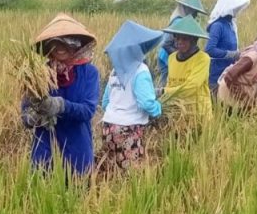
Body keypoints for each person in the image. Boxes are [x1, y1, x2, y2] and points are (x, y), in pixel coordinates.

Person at [22, 14, 99, 177]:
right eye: (55, 42)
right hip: (45, 151)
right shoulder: (38, 73)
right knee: (43, 198)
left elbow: (88, 111)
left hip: (77, 150)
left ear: (77, 45)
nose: (60, 47)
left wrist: (61, 105)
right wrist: (32, 117)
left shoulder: (89, 73)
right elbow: (26, 111)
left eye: (66, 41)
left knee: (77, 197)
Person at [100, 21, 163, 173]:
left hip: (108, 127)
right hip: (128, 129)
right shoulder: (141, 70)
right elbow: (146, 103)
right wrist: (158, 110)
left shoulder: (115, 72)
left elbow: (105, 103)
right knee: (131, 176)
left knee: (112, 170)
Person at [161, 15, 213, 124]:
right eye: (177, 38)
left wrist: (163, 91)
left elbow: (191, 87)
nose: (179, 42)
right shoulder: (171, 58)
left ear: (194, 40)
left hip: (199, 114)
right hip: (178, 114)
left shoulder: (202, 59)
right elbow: (170, 84)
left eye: (185, 39)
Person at [206, 0, 251, 97]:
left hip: (228, 71)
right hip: (216, 72)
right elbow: (209, 49)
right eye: (235, 8)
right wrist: (232, 54)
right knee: (216, 101)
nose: (237, 11)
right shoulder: (218, 26)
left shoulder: (230, 25)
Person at [157, 0, 208, 87]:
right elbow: (165, 44)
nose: (195, 15)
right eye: (194, 12)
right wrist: (181, 56)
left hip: (175, 58)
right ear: (188, 10)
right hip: (166, 58)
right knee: (166, 85)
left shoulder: (183, 22)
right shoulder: (179, 22)